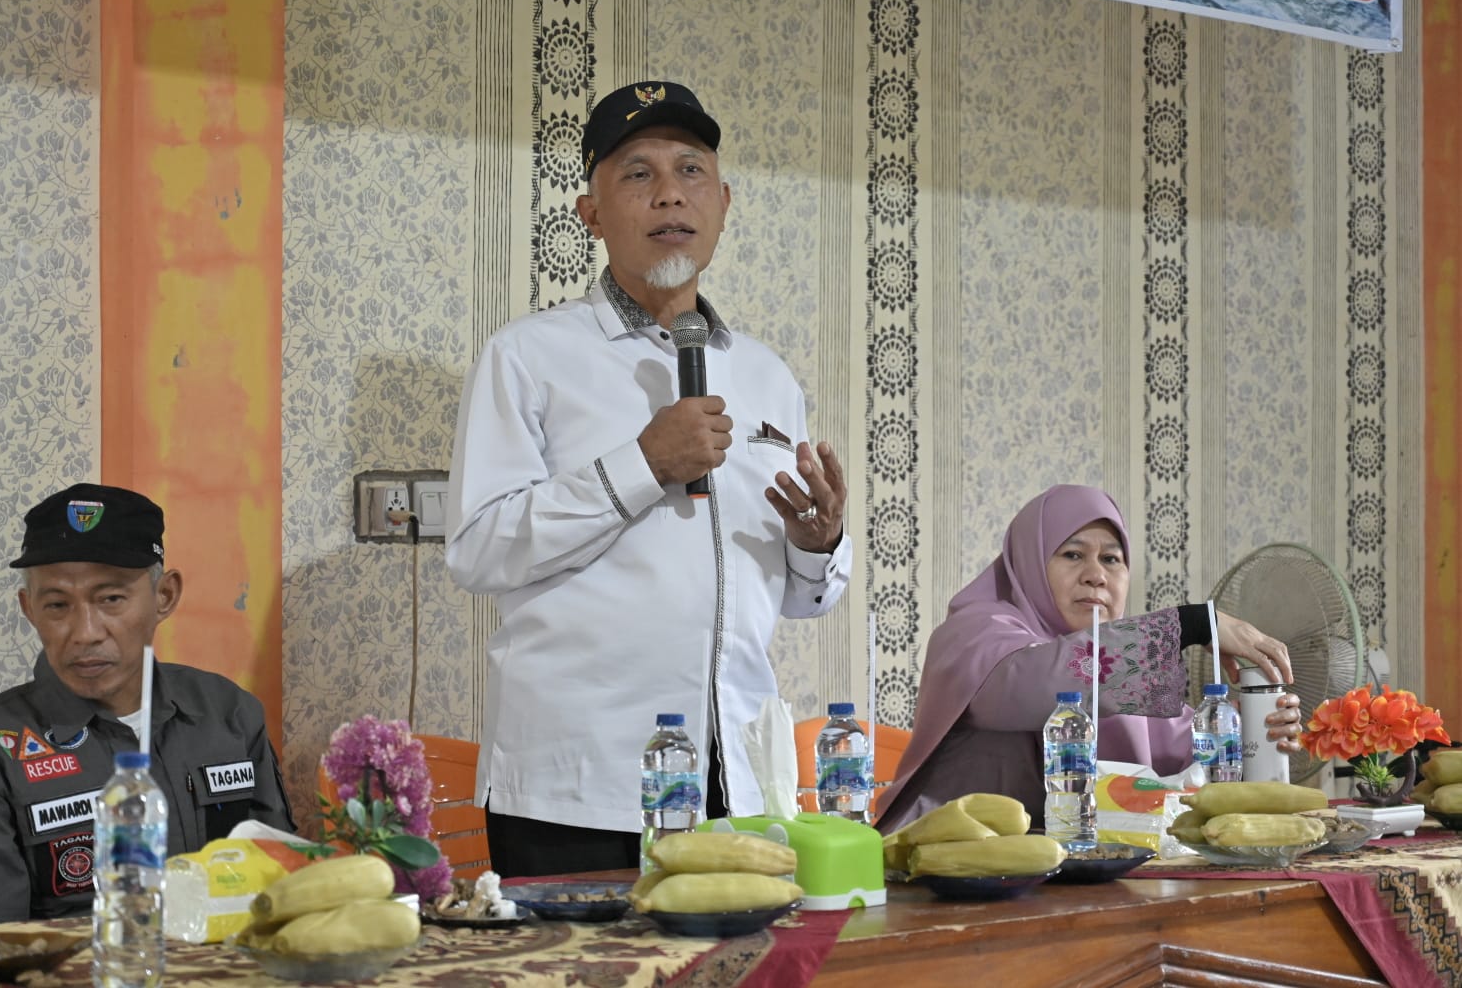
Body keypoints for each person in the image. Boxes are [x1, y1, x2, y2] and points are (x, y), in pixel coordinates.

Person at [447, 80, 851, 876]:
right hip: (578, 784)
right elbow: (478, 549)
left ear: (724, 203)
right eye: (637, 173)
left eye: (691, 170)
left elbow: (809, 597)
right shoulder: (528, 358)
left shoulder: (766, 374)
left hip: (736, 779)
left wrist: (819, 544)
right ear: (589, 213)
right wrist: (643, 464)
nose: (670, 192)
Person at [0, 483, 293, 926]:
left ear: (165, 596)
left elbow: (283, 883)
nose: (86, 632)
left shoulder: (227, 713)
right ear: (29, 609)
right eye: (57, 604)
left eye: (110, 599)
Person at [875, 484, 1303, 832]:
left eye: (1112, 559)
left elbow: (1185, 758)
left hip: (1073, 882)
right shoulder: (974, 631)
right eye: (1073, 554)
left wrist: (1244, 728)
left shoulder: (1123, 665)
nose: (1096, 574)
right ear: (1027, 563)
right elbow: (1029, 684)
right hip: (943, 874)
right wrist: (1192, 624)